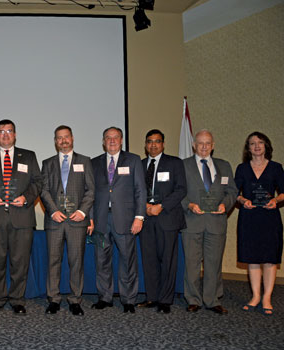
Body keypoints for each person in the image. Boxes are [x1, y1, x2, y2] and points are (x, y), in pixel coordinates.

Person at [0, 119, 42, 315]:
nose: (5, 135)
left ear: (15, 134)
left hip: (21, 217)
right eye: (1, 131)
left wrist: (26, 198)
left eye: (9, 131)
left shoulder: (28, 156)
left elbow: (38, 182)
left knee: (19, 262)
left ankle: (17, 300)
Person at [40, 125, 95, 315]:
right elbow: (44, 190)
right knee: (53, 261)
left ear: (72, 138)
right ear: (55, 141)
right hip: (55, 220)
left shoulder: (85, 161)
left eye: (66, 137)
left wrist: (82, 211)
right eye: (59, 138)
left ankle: (75, 300)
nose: (63, 140)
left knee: (76, 261)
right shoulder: (47, 163)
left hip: (77, 220)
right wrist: (53, 211)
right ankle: (53, 299)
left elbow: (91, 190)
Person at [90, 127, 146, 313]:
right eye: (108, 138)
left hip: (126, 220)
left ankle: (128, 299)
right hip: (101, 220)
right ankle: (104, 298)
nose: (112, 141)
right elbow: (89, 193)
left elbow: (140, 190)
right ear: (103, 141)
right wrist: (90, 219)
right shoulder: (94, 163)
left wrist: (139, 217)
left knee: (128, 260)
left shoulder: (133, 160)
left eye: (115, 138)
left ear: (121, 140)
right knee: (102, 260)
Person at [181, 130, 237, 315]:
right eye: (200, 143)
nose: (204, 146)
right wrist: (189, 204)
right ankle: (193, 299)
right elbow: (177, 193)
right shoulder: (184, 165)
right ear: (194, 145)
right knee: (192, 263)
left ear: (213, 145)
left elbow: (232, 192)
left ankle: (212, 300)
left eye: (207, 143)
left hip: (216, 222)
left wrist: (225, 205)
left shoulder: (224, 166)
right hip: (192, 222)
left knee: (214, 263)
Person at [137, 129, 186, 314]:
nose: (153, 145)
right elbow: (134, 190)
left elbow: (181, 189)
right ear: (145, 144)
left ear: (163, 144)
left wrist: (161, 206)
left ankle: (165, 300)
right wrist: (145, 207)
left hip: (167, 218)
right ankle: (152, 297)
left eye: (157, 141)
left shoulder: (174, 163)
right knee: (149, 260)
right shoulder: (140, 164)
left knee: (168, 260)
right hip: (146, 218)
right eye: (149, 141)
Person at [234, 132, 284, 316]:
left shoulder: (276, 168)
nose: (256, 146)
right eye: (252, 143)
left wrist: (276, 200)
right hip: (249, 218)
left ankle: (267, 298)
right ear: (248, 148)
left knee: (270, 259)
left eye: (260, 143)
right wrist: (242, 200)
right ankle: (255, 296)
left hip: (269, 218)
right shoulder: (242, 168)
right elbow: (234, 192)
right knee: (252, 259)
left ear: (266, 146)